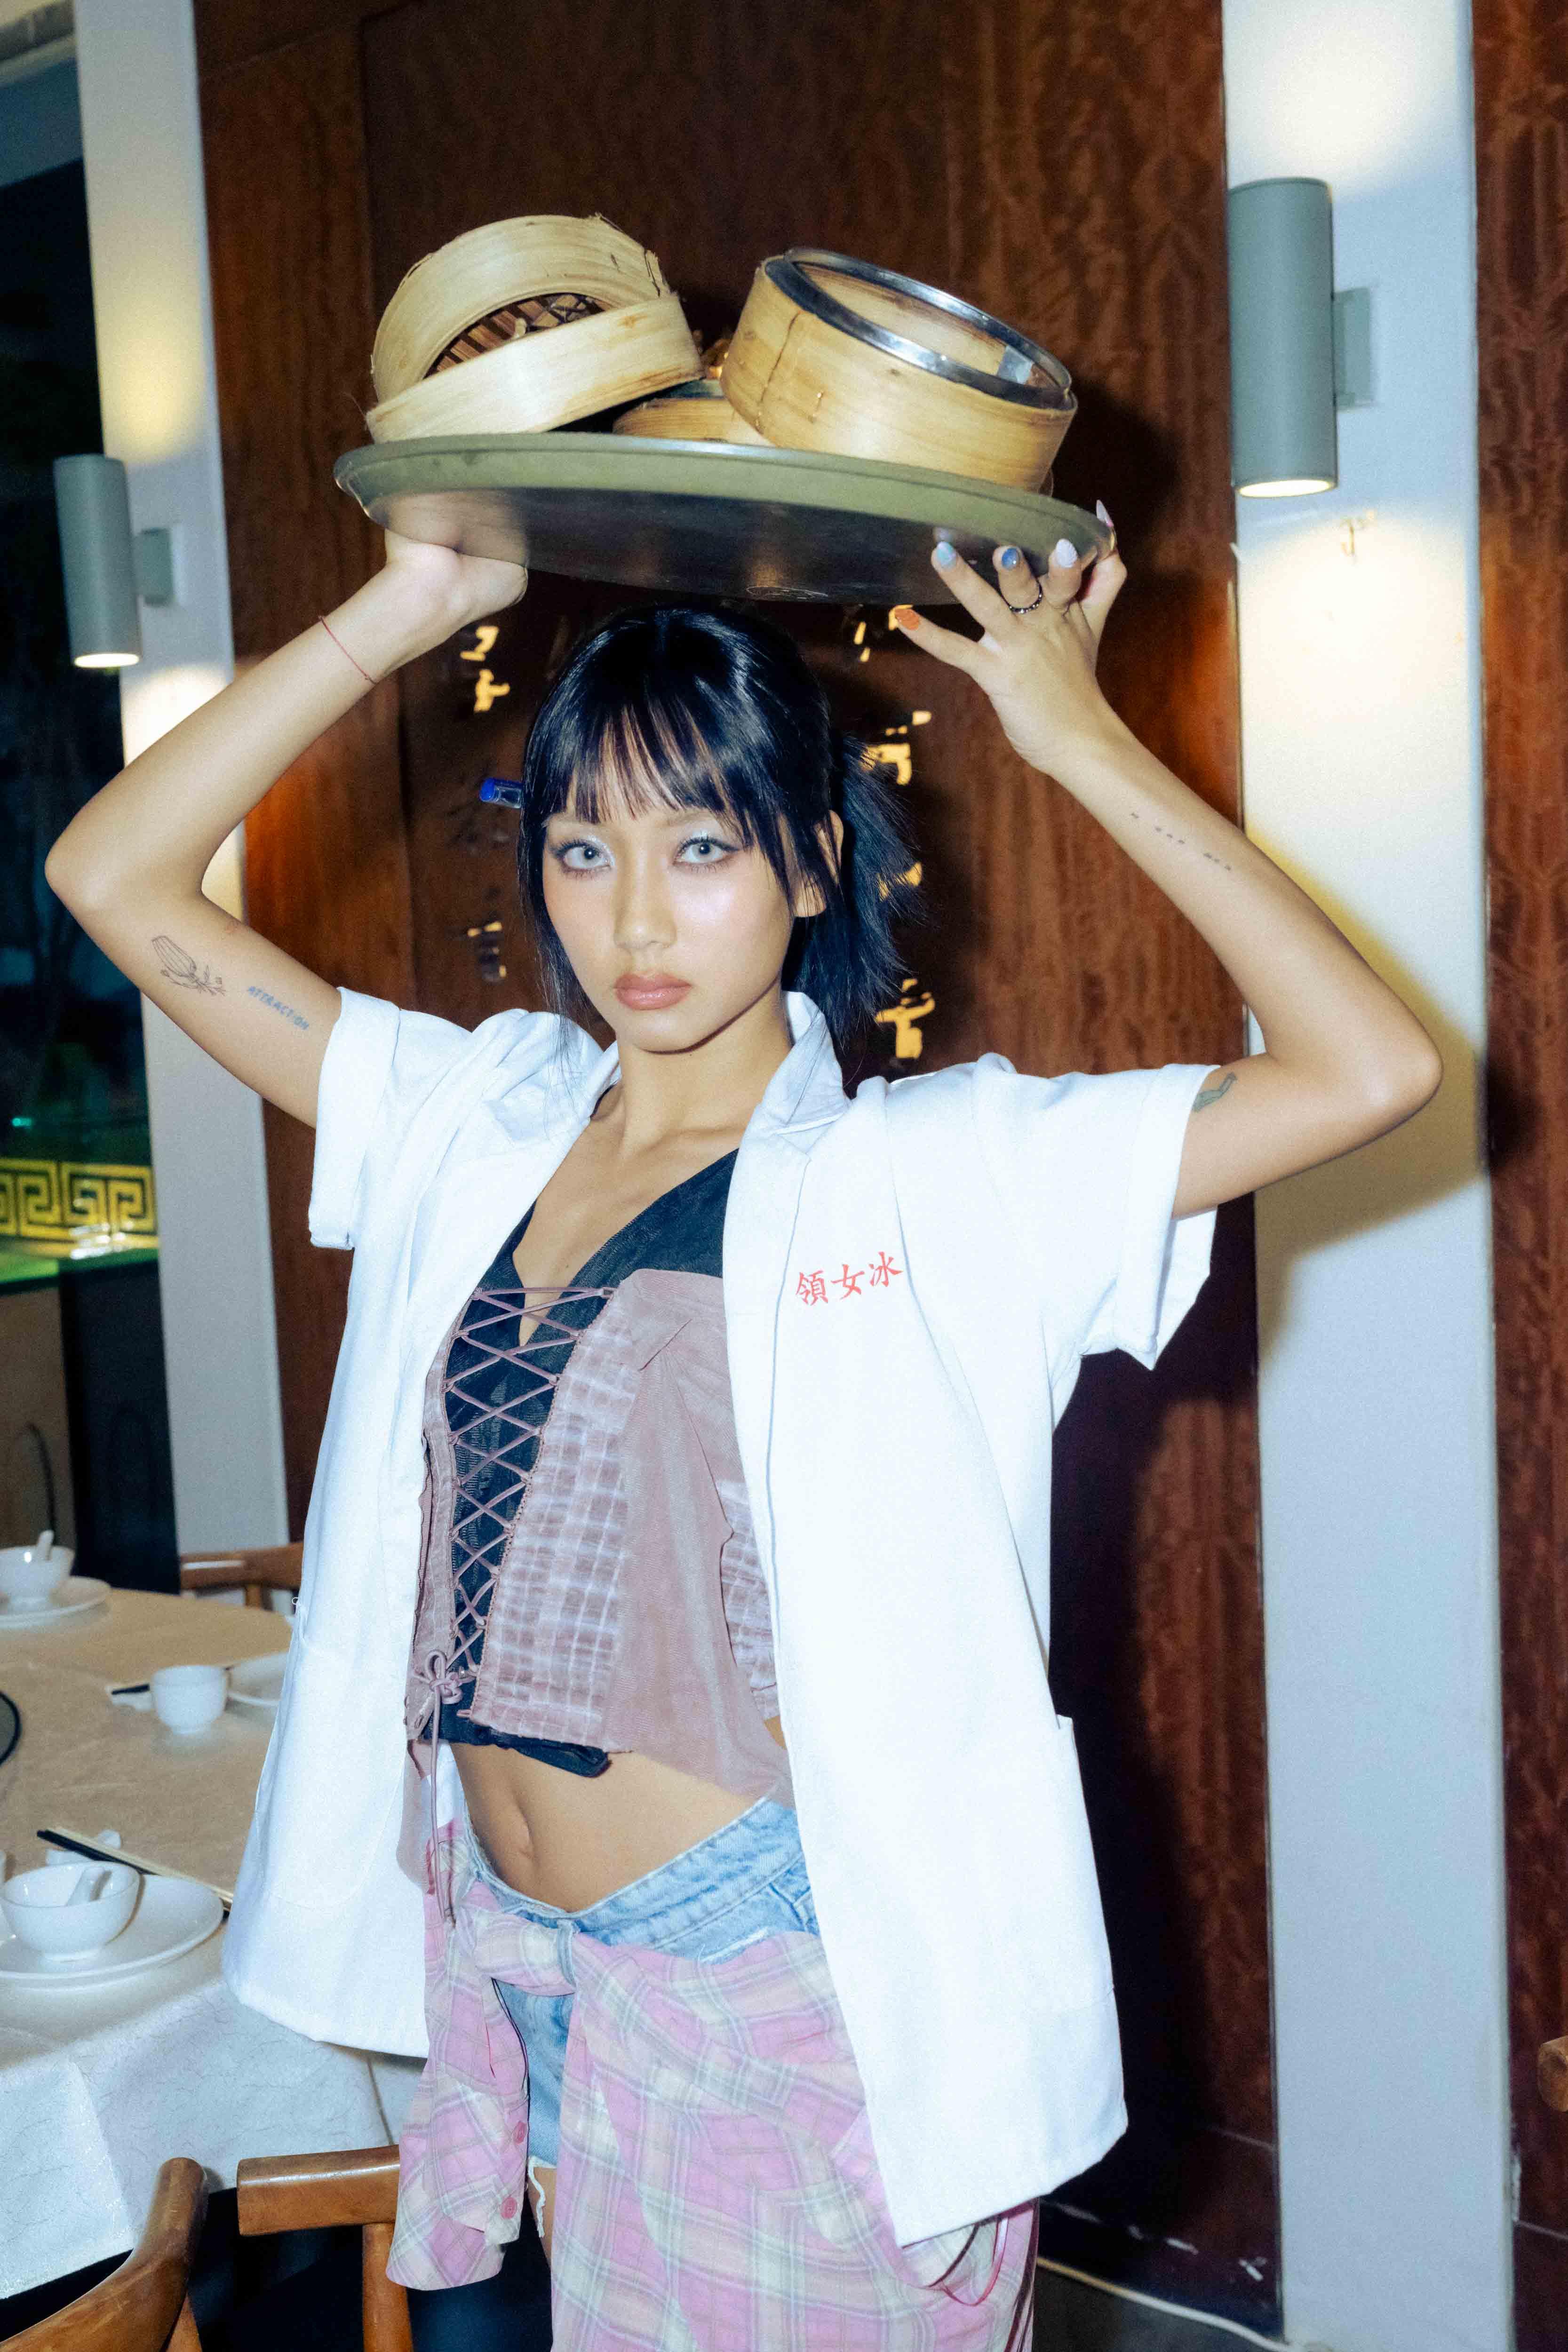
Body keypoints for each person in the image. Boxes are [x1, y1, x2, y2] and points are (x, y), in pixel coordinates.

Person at [46, 516, 1441, 2347]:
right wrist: (409, 602)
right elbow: (113, 873)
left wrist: (1076, 735)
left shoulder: (937, 1174)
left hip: (774, 1970)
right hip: (517, 1948)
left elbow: (1369, 1065)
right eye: (584, 845)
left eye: (700, 844)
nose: (634, 916)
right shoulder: (470, 1117)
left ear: (811, 857)